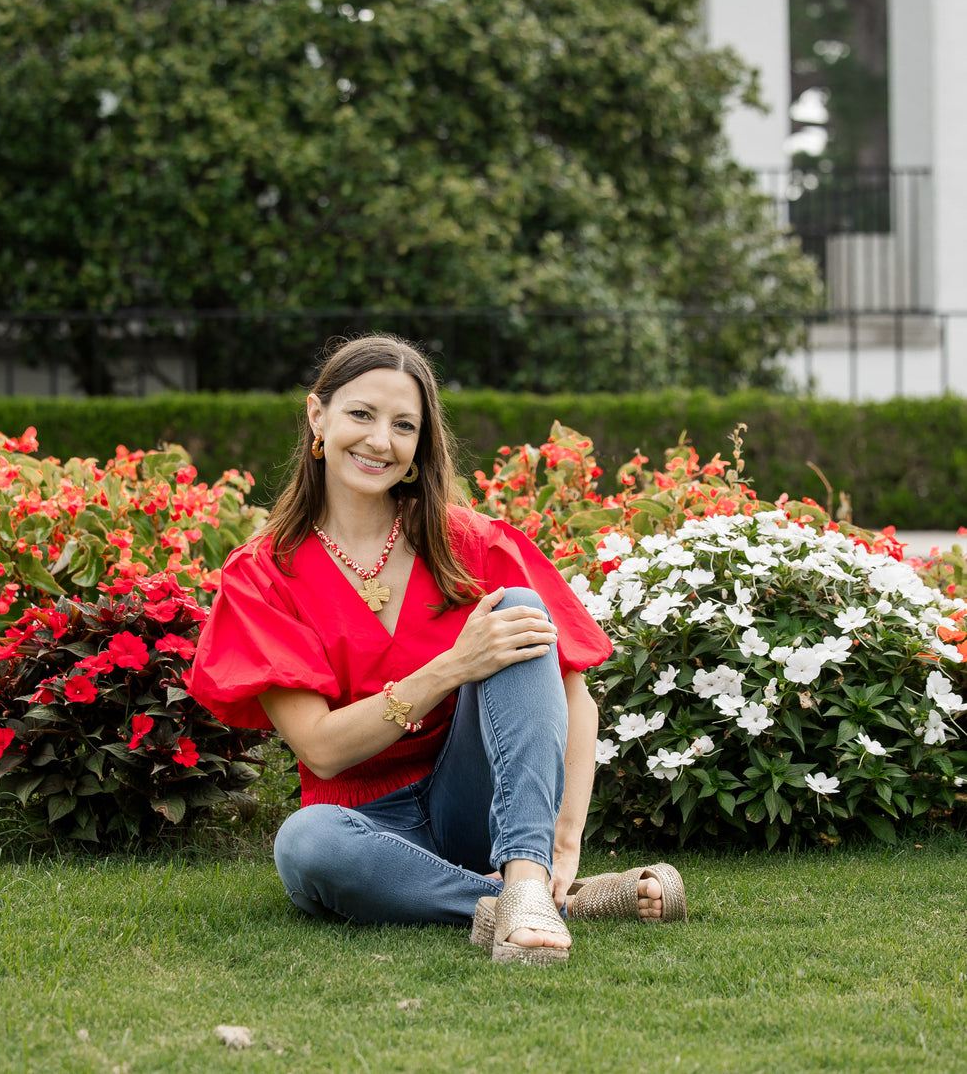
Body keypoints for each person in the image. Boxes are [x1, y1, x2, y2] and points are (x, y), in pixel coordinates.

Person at [188, 335, 685, 965]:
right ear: (319, 416)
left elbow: (571, 693)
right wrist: (454, 666)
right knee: (304, 845)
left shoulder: (470, 542)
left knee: (517, 611)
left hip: (474, 805)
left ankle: (530, 878)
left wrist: (563, 844)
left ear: (421, 445)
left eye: (403, 426)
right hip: (363, 827)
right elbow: (321, 748)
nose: (379, 441)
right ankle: (535, 901)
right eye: (361, 415)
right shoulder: (262, 573)